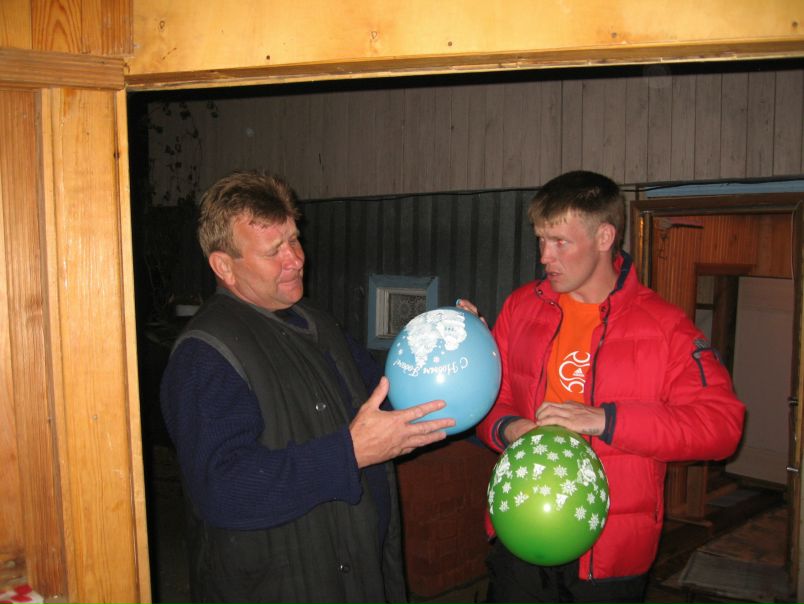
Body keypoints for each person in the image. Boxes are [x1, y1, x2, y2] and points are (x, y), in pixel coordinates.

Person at [160, 170, 455, 604]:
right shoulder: (205, 355)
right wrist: (349, 453)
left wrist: (451, 351)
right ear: (224, 266)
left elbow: (388, 401)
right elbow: (222, 489)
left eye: (294, 239)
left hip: (356, 575)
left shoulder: (318, 322)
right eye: (273, 251)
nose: (296, 259)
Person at [472, 170, 745, 603]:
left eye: (560, 242)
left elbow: (722, 426)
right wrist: (510, 429)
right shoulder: (522, 307)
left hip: (610, 551)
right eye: (540, 240)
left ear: (604, 236)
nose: (545, 257)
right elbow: (489, 402)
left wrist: (606, 420)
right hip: (519, 533)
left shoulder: (665, 327)